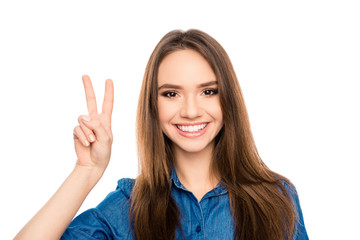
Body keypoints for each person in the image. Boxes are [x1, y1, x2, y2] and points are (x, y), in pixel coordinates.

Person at [14, 29, 308, 240]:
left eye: (208, 91)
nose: (191, 111)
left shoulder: (276, 199)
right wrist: (86, 170)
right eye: (171, 93)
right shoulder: (127, 207)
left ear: (227, 99)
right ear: (153, 106)